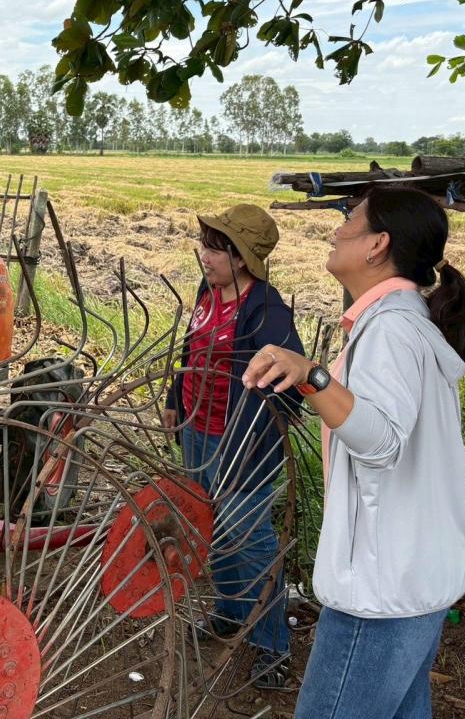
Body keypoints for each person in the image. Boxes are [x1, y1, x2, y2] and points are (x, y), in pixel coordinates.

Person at [242, 187, 465, 719]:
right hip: (411, 582)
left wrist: (310, 375)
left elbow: (381, 442)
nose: (336, 231)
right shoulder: (403, 321)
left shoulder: (392, 329)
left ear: (378, 245)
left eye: (348, 221)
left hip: (380, 595)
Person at [161, 203, 304, 688]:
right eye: (204, 244)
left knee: (250, 538)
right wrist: (173, 400)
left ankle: (271, 644)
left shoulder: (266, 310)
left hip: (243, 443)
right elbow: (192, 347)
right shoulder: (209, 291)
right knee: (211, 526)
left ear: (241, 258)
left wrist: (249, 443)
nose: (204, 255)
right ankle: (228, 612)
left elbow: (287, 387)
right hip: (199, 431)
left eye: (215, 248)